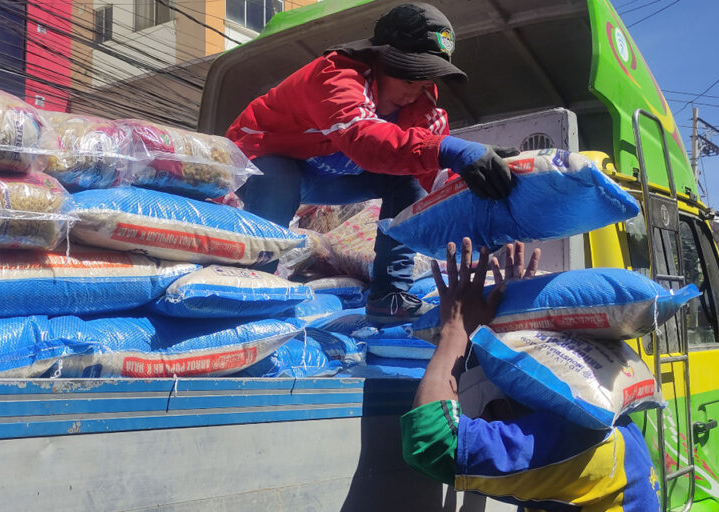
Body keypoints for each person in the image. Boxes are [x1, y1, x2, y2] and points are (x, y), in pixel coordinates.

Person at [227, 2, 519, 324]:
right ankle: (253, 284)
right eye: (410, 79)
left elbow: (431, 181)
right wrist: (451, 148)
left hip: (326, 173)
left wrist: (478, 217)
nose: (414, 93)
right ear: (380, 59)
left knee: (406, 178)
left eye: (425, 81)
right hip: (259, 159)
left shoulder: (423, 105)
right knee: (279, 179)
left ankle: (389, 296)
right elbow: (366, 141)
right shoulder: (336, 75)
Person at [401, 238, 662, 511]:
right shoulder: (606, 420)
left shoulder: (575, 445)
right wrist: (513, 312)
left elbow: (432, 442)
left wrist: (455, 329)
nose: (488, 416)